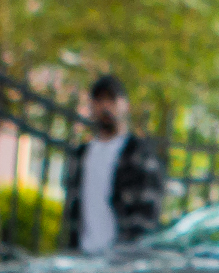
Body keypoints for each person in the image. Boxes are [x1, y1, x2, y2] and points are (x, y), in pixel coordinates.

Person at [59, 75, 164, 255]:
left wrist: (133, 253)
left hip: (121, 262)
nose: (106, 106)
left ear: (125, 105)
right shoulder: (81, 155)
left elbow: (148, 214)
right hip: (83, 257)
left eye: (111, 99)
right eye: (99, 100)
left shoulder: (139, 154)